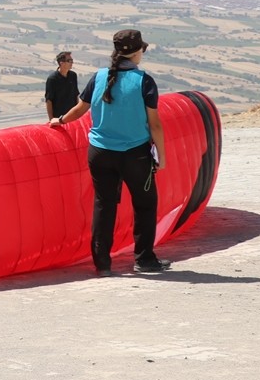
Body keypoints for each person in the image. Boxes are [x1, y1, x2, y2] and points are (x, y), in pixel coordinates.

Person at [49, 29, 171, 277]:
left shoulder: (99, 77)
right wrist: (162, 156)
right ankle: (144, 259)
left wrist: (59, 120)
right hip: (135, 154)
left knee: (104, 205)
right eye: (142, 50)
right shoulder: (143, 81)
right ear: (136, 52)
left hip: (100, 153)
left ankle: (102, 263)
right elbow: (155, 124)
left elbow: (79, 109)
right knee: (145, 205)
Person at [44, 51, 80, 122]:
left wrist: (78, 115)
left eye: (72, 60)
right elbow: (49, 100)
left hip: (72, 117)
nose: (71, 63)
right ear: (61, 63)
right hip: (59, 118)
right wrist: (51, 119)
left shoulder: (73, 76)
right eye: (69, 61)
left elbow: (76, 95)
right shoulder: (52, 79)